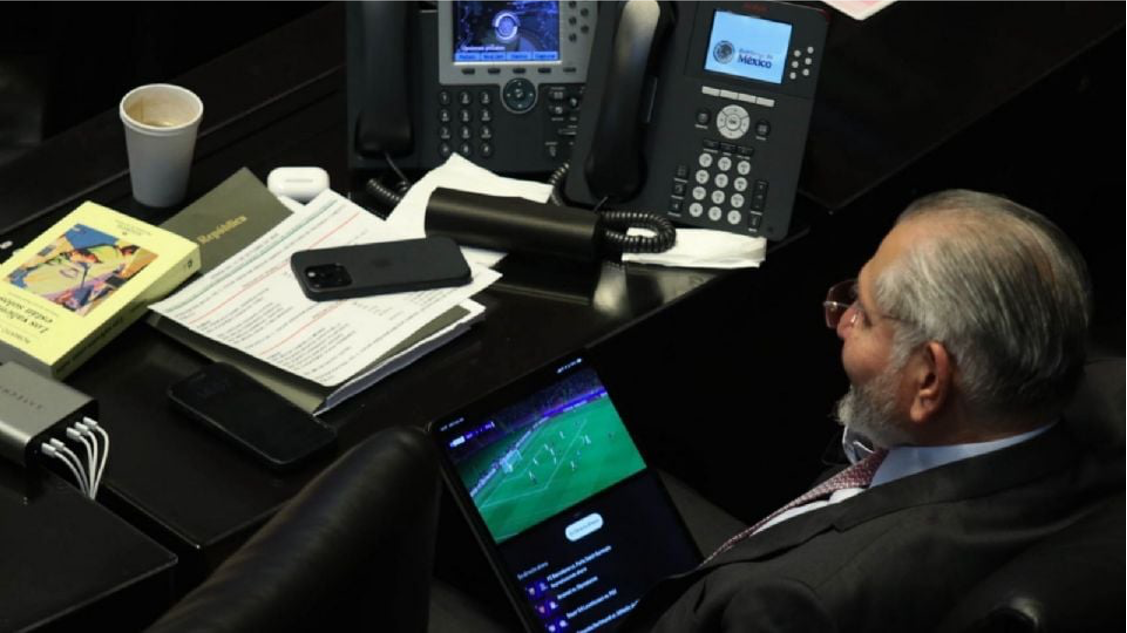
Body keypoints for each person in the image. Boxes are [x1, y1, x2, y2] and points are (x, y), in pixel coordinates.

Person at [621, 190, 1120, 631]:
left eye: (865, 315)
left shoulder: (786, 602)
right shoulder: (1103, 410)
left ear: (928, 380)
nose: (840, 322)